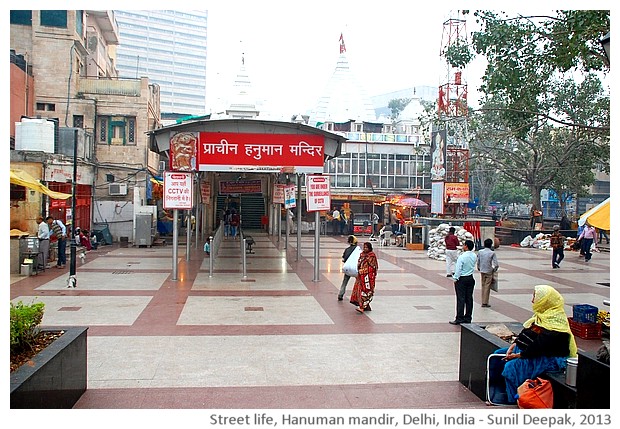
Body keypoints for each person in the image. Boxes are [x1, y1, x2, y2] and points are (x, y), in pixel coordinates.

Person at [494, 285, 577, 404]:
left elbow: (539, 346)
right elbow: (526, 332)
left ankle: (513, 399)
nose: (532, 300)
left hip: (546, 358)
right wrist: (514, 344)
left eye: (535, 297)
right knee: (497, 355)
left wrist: (518, 355)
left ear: (545, 301)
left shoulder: (556, 325)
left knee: (511, 367)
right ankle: (498, 390)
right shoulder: (541, 316)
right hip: (529, 351)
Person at [449, 239, 476, 325]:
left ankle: (459, 317)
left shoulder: (462, 257)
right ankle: (468, 317)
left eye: (464, 245)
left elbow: (458, 269)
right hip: (470, 278)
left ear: (466, 246)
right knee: (469, 298)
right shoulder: (474, 256)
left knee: (461, 299)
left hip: (462, 279)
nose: (463, 246)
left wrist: (455, 278)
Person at [350, 242, 378, 313]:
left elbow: (373, 267)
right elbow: (359, 263)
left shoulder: (371, 256)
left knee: (366, 290)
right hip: (361, 276)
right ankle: (365, 306)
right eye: (364, 247)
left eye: (366, 247)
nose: (365, 249)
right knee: (360, 290)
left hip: (368, 277)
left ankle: (362, 307)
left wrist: (364, 271)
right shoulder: (362, 255)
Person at [477, 238, 499, 307]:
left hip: (482, 270)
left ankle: (483, 300)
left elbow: (478, 261)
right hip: (489, 271)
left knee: (483, 285)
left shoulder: (480, 252)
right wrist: (494, 269)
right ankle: (485, 302)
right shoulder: (492, 253)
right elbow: (496, 264)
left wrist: (479, 267)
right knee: (487, 286)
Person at [338, 235, 358, 301]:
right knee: (359, 282)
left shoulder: (347, 249)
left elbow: (344, 258)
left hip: (348, 268)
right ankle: (358, 295)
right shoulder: (357, 249)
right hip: (355, 269)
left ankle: (340, 294)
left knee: (345, 282)